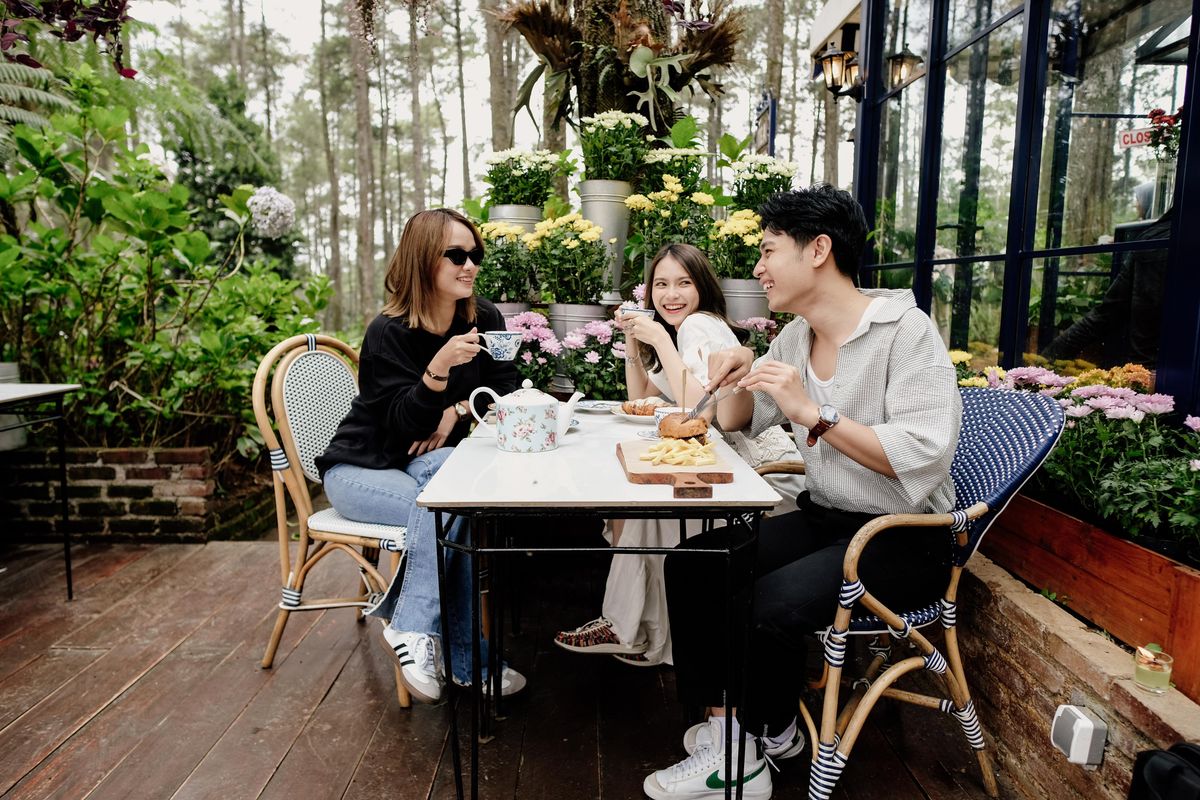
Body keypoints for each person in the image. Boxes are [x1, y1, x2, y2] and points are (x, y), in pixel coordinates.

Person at [642, 185, 960, 800]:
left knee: (771, 604)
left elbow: (921, 454)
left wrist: (813, 414)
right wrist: (732, 369)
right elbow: (738, 419)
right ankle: (742, 733)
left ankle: (746, 757)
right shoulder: (795, 335)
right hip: (827, 517)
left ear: (819, 250)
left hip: (904, 536)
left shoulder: (905, 331)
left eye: (767, 251)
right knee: (694, 564)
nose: (757, 268)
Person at [553, 244, 803, 666]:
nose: (671, 294)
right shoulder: (681, 331)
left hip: (764, 476)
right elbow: (642, 399)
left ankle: (636, 629)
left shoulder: (699, 327)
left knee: (647, 506)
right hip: (727, 464)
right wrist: (635, 342)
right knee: (644, 504)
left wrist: (661, 344)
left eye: (684, 283)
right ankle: (639, 629)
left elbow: (704, 413)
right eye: (662, 284)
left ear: (702, 288)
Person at [315, 208, 525, 704]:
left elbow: (506, 392)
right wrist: (436, 372)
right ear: (421, 259)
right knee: (443, 509)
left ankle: (418, 632)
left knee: (453, 502)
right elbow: (402, 426)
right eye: (456, 254)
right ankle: (452, 652)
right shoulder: (387, 332)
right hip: (361, 466)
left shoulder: (485, 318)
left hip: (419, 464)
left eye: (475, 254)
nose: (469, 264)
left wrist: (455, 409)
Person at [1040, 206, 1172, 368]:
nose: (1137, 206)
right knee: (1144, 342)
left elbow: (1108, 312)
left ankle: (1043, 362)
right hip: (1168, 239)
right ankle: (1040, 366)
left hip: (1155, 238)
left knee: (1109, 315)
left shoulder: (1152, 237)